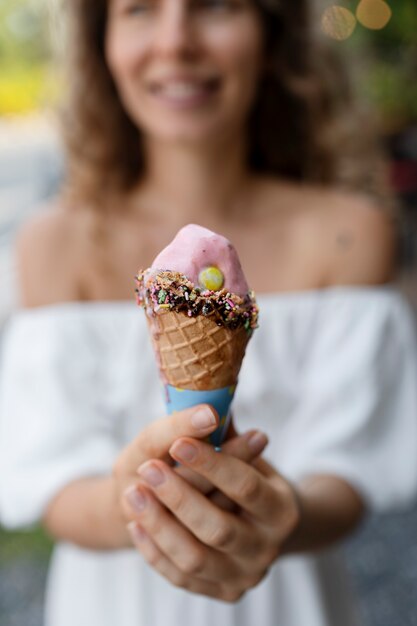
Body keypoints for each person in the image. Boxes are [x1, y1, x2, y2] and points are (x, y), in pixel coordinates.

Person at [1, 0, 417, 625]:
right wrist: (129, 503)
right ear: (103, 44)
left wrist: (281, 514)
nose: (175, 41)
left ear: (273, 34)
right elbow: (49, 480)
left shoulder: (351, 234)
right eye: (139, 9)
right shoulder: (49, 244)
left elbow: (351, 470)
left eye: (214, 5)